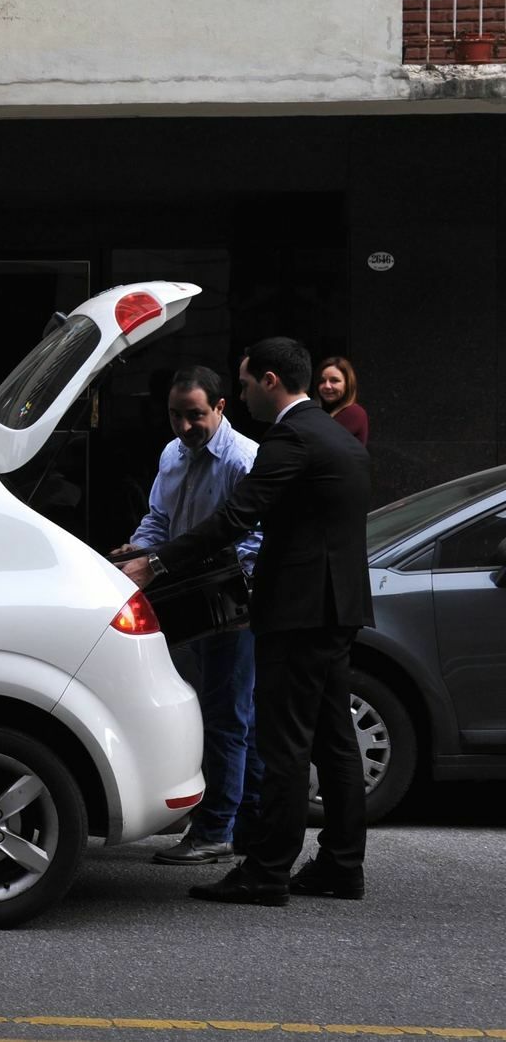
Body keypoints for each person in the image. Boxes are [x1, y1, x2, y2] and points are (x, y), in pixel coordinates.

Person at [121, 337, 373, 907]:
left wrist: (157, 561)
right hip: (338, 609)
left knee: (281, 744)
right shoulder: (335, 435)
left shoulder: (290, 438)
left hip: (299, 612)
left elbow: (238, 515)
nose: (240, 394)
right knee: (334, 743)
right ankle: (341, 865)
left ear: (268, 380)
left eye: (243, 382)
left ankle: (265, 872)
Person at [117, 366, 262, 866]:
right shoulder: (172, 452)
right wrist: (138, 549)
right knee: (212, 712)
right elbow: (160, 517)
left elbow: (257, 539)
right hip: (185, 602)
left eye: (195, 415)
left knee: (228, 718)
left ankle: (218, 828)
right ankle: (239, 823)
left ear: (221, 408)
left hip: (230, 608)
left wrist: (175, 564)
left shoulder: (244, 460)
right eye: (176, 415)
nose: (184, 426)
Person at [317, 356, 370, 446]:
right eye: (322, 381)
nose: (327, 386)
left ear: (348, 384)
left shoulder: (354, 412)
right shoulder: (319, 411)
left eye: (334, 380)